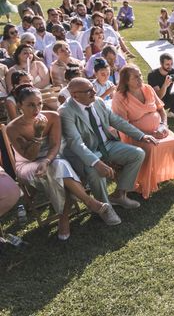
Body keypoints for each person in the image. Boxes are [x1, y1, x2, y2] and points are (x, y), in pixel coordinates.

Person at [7, 85, 120, 238]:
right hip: (28, 164)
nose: (37, 109)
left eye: (39, 103)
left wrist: (47, 160)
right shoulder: (13, 128)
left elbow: (55, 146)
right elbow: (31, 156)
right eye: (30, 105)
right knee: (58, 167)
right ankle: (88, 201)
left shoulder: (53, 116)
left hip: (53, 158)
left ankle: (64, 218)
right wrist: (39, 133)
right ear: (20, 105)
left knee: (56, 168)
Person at [60, 78, 154, 207]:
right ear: (74, 95)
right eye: (88, 91)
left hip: (106, 145)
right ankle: (104, 207)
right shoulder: (65, 111)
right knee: (95, 171)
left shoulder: (98, 102)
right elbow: (76, 143)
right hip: (86, 151)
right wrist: (96, 163)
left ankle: (119, 195)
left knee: (138, 154)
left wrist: (141, 136)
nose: (94, 92)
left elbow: (117, 121)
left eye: (93, 88)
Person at [111, 66, 174, 198]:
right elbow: (123, 125)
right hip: (136, 135)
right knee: (152, 146)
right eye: (136, 77)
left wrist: (163, 125)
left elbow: (161, 109)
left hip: (159, 130)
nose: (140, 79)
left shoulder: (148, 89)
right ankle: (147, 181)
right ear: (126, 81)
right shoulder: (120, 97)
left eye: (140, 75)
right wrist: (145, 134)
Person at [147, 53, 174, 119]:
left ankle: (172, 113)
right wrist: (165, 85)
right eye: (167, 64)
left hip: (166, 99)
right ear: (161, 63)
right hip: (155, 102)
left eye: (171, 64)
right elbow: (158, 97)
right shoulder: (153, 74)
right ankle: (157, 112)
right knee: (157, 105)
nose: (170, 67)